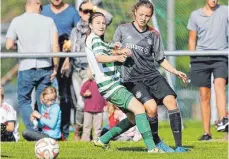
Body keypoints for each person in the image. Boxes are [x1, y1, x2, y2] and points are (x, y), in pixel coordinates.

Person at [112, 0, 188, 152]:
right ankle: (157, 141)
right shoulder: (123, 29)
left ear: (151, 16)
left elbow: (160, 59)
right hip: (133, 79)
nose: (143, 18)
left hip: (152, 75)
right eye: (141, 14)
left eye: (147, 15)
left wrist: (175, 71)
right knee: (151, 108)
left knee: (171, 101)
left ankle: (179, 146)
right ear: (135, 12)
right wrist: (119, 51)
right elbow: (113, 51)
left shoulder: (154, 34)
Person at [85, 12, 164, 153]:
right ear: (90, 25)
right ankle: (152, 148)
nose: (102, 25)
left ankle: (102, 140)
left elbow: (108, 50)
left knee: (133, 118)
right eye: (98, 23)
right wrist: (117, 58)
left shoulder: (95, 39)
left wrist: (121, 51)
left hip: (108, 86)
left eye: (103, 23)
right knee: (140, 109)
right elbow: (100, 57)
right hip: (111, 85)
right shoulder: (95, 40)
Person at [5, 0, 59, 130]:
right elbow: (55, 46)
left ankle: (31, 129)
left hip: (26, 66)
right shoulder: (49, 21)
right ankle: (43, 130)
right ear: (38, 5)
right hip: (45, 66)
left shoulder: (17, 21)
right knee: (44, 100)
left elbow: (8, 45)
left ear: (26, 5)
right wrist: (55, 67)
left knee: (24, 100)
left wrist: (20, 47)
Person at [68, 0, 112, 141]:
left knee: (86, 104)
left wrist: (93, 7)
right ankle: (79, 131)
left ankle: (88, 134)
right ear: (79, 13)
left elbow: (109, 18)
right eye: (83, 11)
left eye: (89, 11)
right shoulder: (75, 30)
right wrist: (66, 59)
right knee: (79, 105)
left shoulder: (96, 27)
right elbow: (72, 49)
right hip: (76, 69)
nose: (86, 14)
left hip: (90, 70)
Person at [187, 0, 228, 141]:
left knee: (219, 85)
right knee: (204, 95)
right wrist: (192, 59)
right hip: (200, 58)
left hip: (221, 56)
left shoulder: (225, 11)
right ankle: (207, 133)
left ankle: (223, 120)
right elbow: (192, 39)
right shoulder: (195, 15)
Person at [42, 0, 80, 140]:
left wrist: (69, 57)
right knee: (43, 92)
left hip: (66, 59)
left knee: (65, 96)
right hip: (46, 58)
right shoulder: (43, 10)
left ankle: (64, 132)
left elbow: (78, 34)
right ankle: (42, 129)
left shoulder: (72, 12)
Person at [80, 68, 106, 141]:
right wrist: (85, 93)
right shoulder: (88, 82)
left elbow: (105, 94)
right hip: (88, 109)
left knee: (98, 126)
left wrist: (106, 104)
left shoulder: (102, 83)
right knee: (87, 125)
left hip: (99, 108)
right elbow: (82, 91)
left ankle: (96, 139)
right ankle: (85, 139)